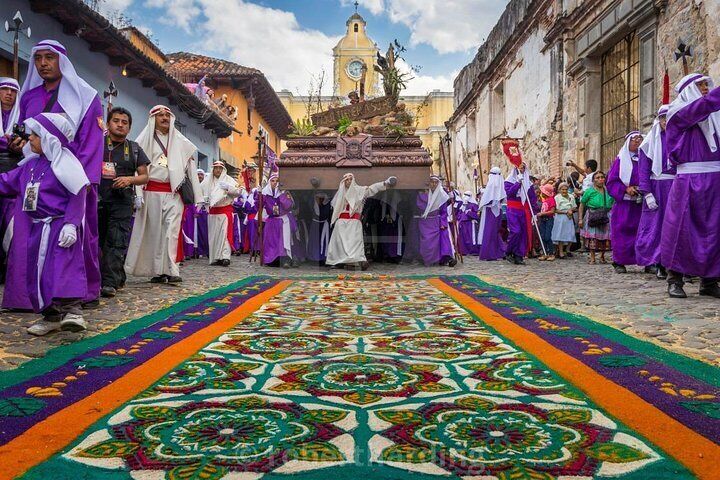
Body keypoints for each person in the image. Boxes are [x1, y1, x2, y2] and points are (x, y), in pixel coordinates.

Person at [5, 40, 103, 310]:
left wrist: (80, 181)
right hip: (36, 177)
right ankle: (26, 296)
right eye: (38, 58)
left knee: (74, 238)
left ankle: (78, 295)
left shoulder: (87, 96)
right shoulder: (28, 97)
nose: (43, 63)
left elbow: (92, 141)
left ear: (62, 60)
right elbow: (25, 135)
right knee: (26, 235)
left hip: (71, 178)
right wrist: (19, 145)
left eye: (50, 57)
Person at [0, 113, 90, 334]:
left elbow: (78, 194)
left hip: (60, 227)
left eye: (35, 135)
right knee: (39, 271)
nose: (30, 139)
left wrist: (71, 224)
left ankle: (73, 312)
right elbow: (6, 182)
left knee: (63, 269)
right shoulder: (29, 165)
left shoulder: (66, 165)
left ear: (50, 138)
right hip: (38, 229)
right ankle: (50, 316)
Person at [125, 105, 202, 284]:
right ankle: (158, 271)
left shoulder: (181, 142)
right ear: (153, 119)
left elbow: (190, 168)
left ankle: (172, 269)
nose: (164, 118)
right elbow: (136, 169)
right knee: (155, 232)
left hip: (174, 193)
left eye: (167, 115)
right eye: (160, 115)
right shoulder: (143, 141)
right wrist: (137, 194)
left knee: (171, 231)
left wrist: (197, 197)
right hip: (150, 192)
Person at [662, 73, 720, 298]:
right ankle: (674, 279)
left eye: (707, 84)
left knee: (715, 230)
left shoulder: (715, 118)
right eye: (700, 85)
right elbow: (701, 107)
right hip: (689, 179)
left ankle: (709, 280)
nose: (705, 88)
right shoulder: (677, 114)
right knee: (682, 229)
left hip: (715, 178)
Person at [98, 107, 149, 298]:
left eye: (124, 122)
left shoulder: (134, 148)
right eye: (116, 120)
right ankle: (115, 275)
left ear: (129, 127)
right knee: (100, 240)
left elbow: (144, 176)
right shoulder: (97, 144)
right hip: (98, 199)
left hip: (122, 201)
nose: (120, 124)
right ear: (109, 123)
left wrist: (129, 180)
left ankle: (109, 283)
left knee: (116, 240)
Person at [326, 173, 396, 270]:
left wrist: (385, 183)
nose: (348, 181)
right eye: (346, 180)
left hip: (354, 222)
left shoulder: (360, 191)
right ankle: (338, 262)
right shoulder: (340, 193)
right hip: (341, 222)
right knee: (339, 243)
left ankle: (356, 262)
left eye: (350, 179)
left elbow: (372, 188)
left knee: (355, 243)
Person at [636, 105, 673, 279]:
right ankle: (659, 262)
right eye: (663, 118)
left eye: (669, 117)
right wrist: (647, 193)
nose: (666, 121)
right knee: (658, 227)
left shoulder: (679, 137)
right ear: (659, 120)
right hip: (657, 189)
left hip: (676, 186)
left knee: (677, 225)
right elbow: (643, 170)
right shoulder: (648, 143)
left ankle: (679, 264)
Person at [607, 132, 644, 273]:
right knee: (622, 232)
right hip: (624, 204)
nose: (637, 141)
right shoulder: (620, 161)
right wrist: (626, 189)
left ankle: (645, 260)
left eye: (640, 139)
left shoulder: (644, 159)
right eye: (634, 139)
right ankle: (619, 261)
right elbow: (612, 182)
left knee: (641, 231)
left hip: (641, 203)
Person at [201, 160, 242, 266]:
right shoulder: (206, 181)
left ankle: (225, 257)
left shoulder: (229, 180)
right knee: (214, 235)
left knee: (224, 235)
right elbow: (200, 193)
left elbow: (238, 192)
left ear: (223, 170)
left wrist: (228, 188)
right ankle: (215, 257)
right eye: (216, 168)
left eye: (220, 168)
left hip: (224, 211)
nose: (218, 170)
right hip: (212, 212)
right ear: (213, 169)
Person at [0, 78, 20, 284]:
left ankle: (8, 271)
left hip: (13, 173)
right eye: (4, 89)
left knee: (11, 224)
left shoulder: (22, 118)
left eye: (13, 91)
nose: (8, 94)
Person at [417, 175, 457, 267]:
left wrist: (443, 223)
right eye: (432, 182)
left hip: (437, 221)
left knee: (444, 238)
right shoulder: (423, 193)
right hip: (425, 222)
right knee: (427, 241)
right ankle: (428, 260)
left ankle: (446, 259)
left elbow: (444, 212)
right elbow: (420, 206)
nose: (434, 184)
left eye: (436, 182)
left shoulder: (442, 195)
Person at [504, 163, 537, 265]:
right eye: (519, 167)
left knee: (523, 233)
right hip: (513, 210)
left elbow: (532, 199)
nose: (521, 169)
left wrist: (534, 213)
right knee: (516, 231)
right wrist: (518, 183)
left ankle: (519, 255)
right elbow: (510, 194)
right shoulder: (508, 181)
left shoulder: (529, 184)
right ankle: (509, 251)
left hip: (524, 210)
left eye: (523, 168)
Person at [578, 171, 613, 264]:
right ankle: (592, 257)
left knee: (605, 237)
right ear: (593, 180)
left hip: (605, 215)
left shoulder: (608, 191)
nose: (600, 179)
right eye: (598, 178)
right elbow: (582, 205)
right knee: (592, 237)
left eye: (602, 177)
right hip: (592, 215)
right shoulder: (589, 191)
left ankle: (602, 256)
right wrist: (580, 219)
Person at [478, 167, 507, 261]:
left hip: (490, 212)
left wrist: (483, 200)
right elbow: (502, 198)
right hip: (497, 211)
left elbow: (486, 201)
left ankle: (490, 253)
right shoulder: (501, 186)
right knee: (495, 232)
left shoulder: (491, 186)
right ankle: (500, 251)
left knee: (489, 232)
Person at [552, 182, 577, 259]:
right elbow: (555, 210)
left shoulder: (571, 196)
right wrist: (566, 212)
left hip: (569, 218)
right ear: (559, 190)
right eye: (562, 189)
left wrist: (570, 210)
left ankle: (568, 250)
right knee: (561, 234)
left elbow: (574, 207)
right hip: (560, 217)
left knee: (571, 233)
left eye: (566, 189)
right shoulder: (557, 198)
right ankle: (561, 252)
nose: (564, 191)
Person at [377, 190, 404, 263]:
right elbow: (383, 206)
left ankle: (396, 256)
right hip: (386, 222)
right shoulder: (385, 195)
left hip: (396, 221)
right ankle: (387, 255)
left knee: (396, 239)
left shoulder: (396, 195)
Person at [307, 192, 331, 264]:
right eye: (318, 198)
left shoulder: (327, 204)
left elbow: (326, 213)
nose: (320, 200)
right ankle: (313, 258)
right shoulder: (312, 202)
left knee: (324, 241)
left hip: (324, 225)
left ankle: (323, 258)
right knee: (314, 241)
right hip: (315, 225)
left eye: (321, 198)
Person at [457, 191, 480, 256]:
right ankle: (464, 251)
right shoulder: (462, 205)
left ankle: (473, 250)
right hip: (463, 222)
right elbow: (459, 214)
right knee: (463, 237)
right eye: (464, 195)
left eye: (467, 195)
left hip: (470, 223)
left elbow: (477, 215)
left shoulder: (474, 204)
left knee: (471, 237)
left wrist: (469, 213)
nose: (465, 197)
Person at [537, 184, 556, 261]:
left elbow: (552, 211)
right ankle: (544, 253)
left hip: (548, 220)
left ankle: (551, 253)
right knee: (543, 236)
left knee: (547, 236)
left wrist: (542, 213)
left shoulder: (551, 200)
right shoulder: (544, 201)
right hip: (543, 220)